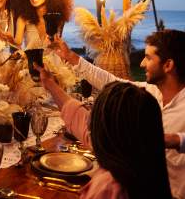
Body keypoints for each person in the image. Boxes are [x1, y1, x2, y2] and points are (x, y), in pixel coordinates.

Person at [52, 29, 185, 198]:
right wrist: (72, 58)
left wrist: (175, 139)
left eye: (149, 57)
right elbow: (112, 82)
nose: (142, 63)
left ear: (168, 65)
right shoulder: (151, 92)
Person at [36, 63, 172, 199]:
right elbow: (79, 117)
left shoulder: (109, 187)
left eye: (93, 119)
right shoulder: (141, 163)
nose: (88, 125)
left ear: (108, 135)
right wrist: (50, 84)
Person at [9, 0, 73, 49]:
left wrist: (57, 44)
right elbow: (18, 42)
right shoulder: (23, 19)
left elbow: (56, 44)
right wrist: (9, 39)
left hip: (53, 59)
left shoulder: (57, 17)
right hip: (32, 59)